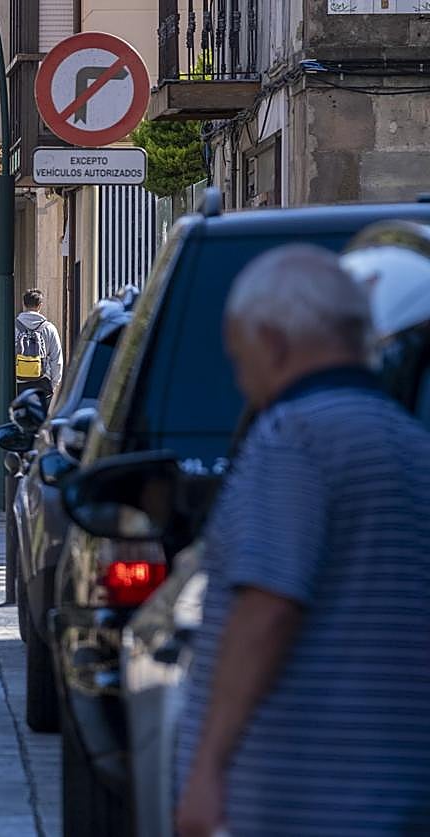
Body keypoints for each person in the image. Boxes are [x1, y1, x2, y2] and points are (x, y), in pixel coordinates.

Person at [175, 245, 430, 837]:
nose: (242, 379)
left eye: (240, 358)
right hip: (395, 792)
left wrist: (208, 766)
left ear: (271, 340)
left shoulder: (294, 437)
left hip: (306, 801)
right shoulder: (408, 440)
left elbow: (268, 605)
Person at [14, 289, 62, 411]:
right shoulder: (49, 328)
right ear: (40, 305)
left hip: (17, 383)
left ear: (24, 304)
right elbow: (56, 359)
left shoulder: (13, 326)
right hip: (42, 382)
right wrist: (53, 384)